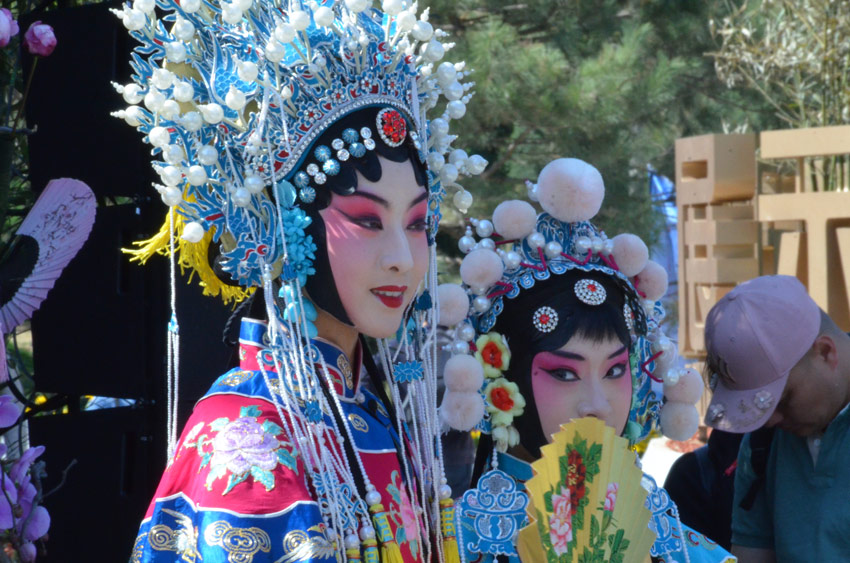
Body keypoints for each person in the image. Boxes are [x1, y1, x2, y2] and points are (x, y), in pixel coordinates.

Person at [114, 1, 486, 561]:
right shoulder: (249, 437)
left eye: (415, 224)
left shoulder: (380, 409)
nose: (402, 261)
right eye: (366, 219)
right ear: (282, 228)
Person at [435, 158, 734, 562]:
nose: (596, 402)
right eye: (563, 373)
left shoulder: (684, 551)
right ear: (497, 382)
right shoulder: (443, 548)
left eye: (614, 370)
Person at [703, 275, 850, 563]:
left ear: (824, 352)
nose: (768, 420)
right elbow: (750, 550)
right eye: (756, 408)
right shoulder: (762, 442)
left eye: (780, 400)